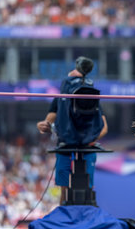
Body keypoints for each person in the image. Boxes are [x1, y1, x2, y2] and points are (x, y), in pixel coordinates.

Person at [37, 57, 108, 204]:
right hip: (65, 145)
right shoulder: (62, 95)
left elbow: (104, 127)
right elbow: (51, 115)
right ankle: (64, 214)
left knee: (87, 186)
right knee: (64, 188)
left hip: (87, 150)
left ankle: (86, 214)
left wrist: (89, 139)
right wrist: (46, 124)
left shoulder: (89, 95)